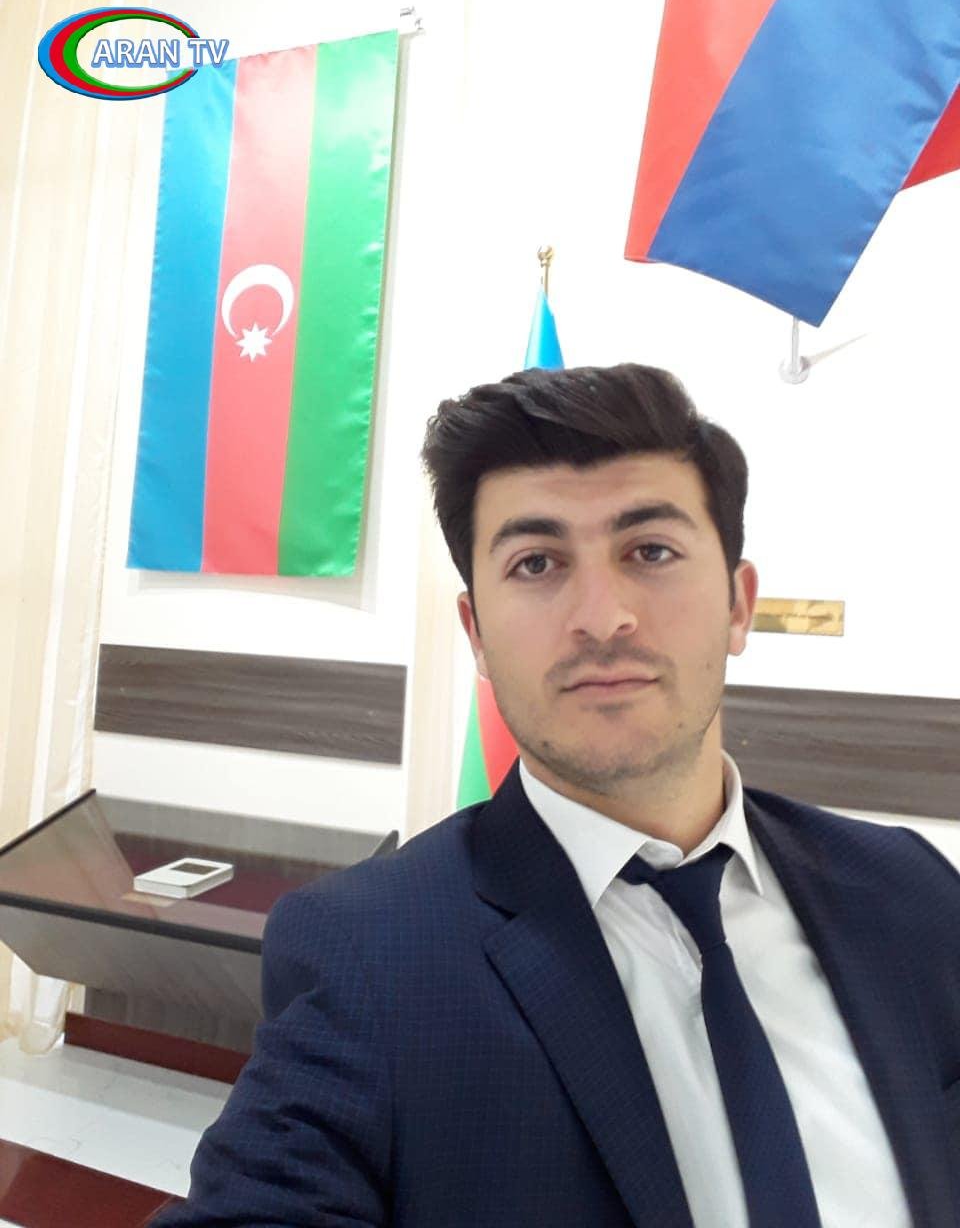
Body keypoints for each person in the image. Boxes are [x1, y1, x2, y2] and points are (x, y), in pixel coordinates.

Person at [153, 363, 960, 1227]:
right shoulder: (368, 955)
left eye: (650, 551)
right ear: (477, 634)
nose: (602, 617)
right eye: (536, 563)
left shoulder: (909, 892)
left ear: (738, 604)